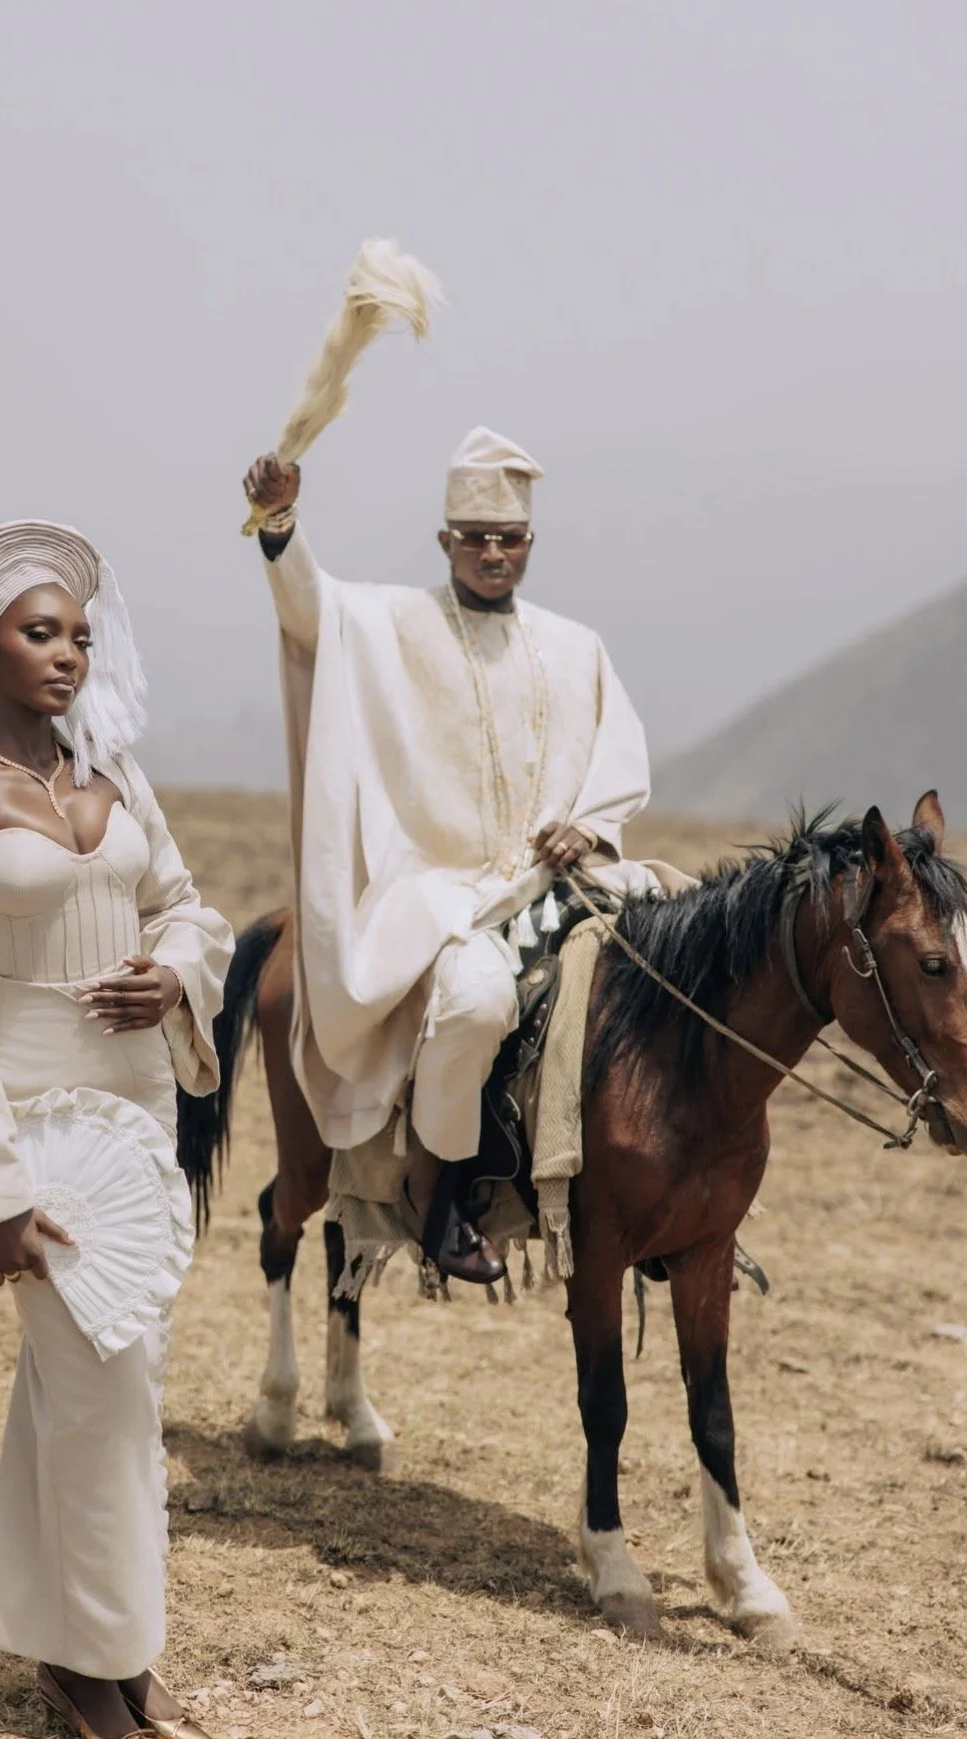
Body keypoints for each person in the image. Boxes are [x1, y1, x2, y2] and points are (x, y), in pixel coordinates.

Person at [0, 521, 233, 1739]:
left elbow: (183, 905)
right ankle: (100, 1666)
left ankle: (88, 1640)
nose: (69, 653)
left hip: (141, 1110)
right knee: (103, 1390)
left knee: (114, 1376)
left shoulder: (119, 771)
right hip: (32, 1124)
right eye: (40, 632)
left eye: (79, 633)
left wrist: (172, 975)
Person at [243, 428, 657, 1285]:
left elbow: (618, 756)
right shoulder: (394, 622)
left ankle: (665, 1196)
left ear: (529, 543)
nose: (492, 553)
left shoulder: (576, 646)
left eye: (507, 538)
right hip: (440, 893)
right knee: (474, 1003)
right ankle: (437, 1198)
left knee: (676, 971)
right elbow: (311, 612)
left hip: (559, 882)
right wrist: (280, 525)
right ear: (445, 542)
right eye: (474, 538)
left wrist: (586, 826)